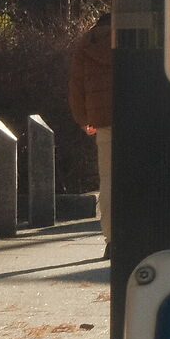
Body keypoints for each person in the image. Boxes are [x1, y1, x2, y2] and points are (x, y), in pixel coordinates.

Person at [68, 12, 113, 246]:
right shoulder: (132, 38)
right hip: (136, 118)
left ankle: (111, 238)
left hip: (103, 120)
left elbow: (76, 86)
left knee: (108, 181)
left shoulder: (87, 43)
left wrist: (83, 119)